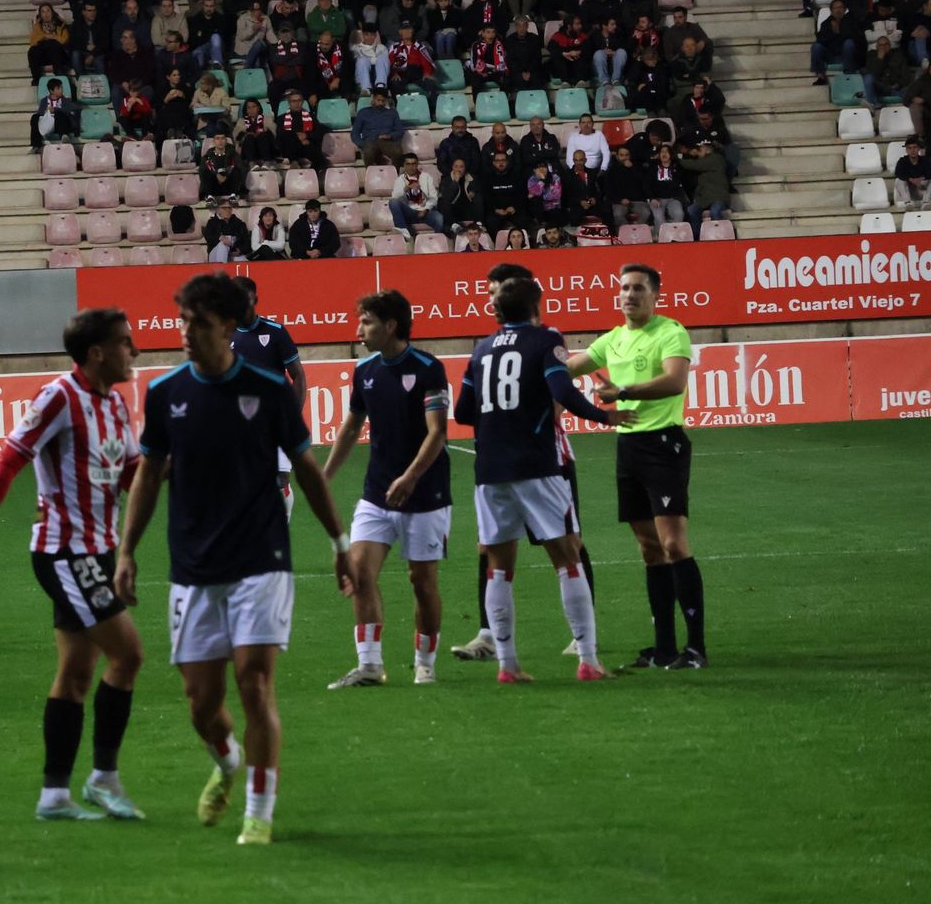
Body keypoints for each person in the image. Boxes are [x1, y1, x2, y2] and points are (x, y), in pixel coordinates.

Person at [113, 273, 354, 847]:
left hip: (262, 560)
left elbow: (307, 471)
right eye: (181, 321)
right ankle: (226, 761)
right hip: (193, 567)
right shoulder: (166, 392)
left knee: (254, 683)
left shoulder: (269, 391)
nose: (184, 333)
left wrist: (341, 543)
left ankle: (259, 811)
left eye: (195, 322)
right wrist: (126, 551)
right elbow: (148, 477)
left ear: (225, 325)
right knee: (201, 704)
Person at [0, 309, 147, 822]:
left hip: (99, 551)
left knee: (78, 672)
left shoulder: (116, 403)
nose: (136, 351)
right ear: (98, 353)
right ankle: (103, 779)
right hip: (65, 551)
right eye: (127, 343)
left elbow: (132, 473)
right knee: (128, 655)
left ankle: (54, 795)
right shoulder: (59, 396)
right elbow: (11, 458)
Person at [452, 276, 631, 683]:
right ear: (537, 306)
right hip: (536, 463)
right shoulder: (544, 340)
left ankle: (508, 666)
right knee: (567, 558)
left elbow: (463, 412)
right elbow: (562, 391)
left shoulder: (480, 350)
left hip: (490, 470)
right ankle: (587, 660)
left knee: (499, 566)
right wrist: (605, 415)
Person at [566, 264, 707, 671]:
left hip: (663, 443)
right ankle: (664, 649)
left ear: (655, 295)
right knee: (649, 550)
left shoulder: (670, 332)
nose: (629, 294)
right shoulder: (613, 338)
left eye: (638, 288)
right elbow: (570, 366)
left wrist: (622, 391)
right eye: (625, 288)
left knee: (674, 544)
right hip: (628, 446)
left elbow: (675, 381)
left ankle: (696, 648)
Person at [321, 290, 451, 688]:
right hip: (376, 492)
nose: (359, 330)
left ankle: (425, 661)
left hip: (425, 493)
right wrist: (322, 478)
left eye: (366, 323)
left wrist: (410, 477)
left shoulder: (429, 368)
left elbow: (439, 433)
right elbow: (350, 426)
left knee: (422, 582)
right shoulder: (365, 371)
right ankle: (370, 666)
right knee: (359, 570)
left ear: (390, 325)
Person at [230, 276, 305, 519]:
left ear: (255, 300)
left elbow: (298, 376)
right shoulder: (225, 335)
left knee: (280, 479)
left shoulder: (275, 332)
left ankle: (280, 529)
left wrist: (292, 415)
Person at [351, 88, 405, 167]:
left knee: (398, 152)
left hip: (387, 142)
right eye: (378, 100)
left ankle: (394, 174)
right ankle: (370, 175)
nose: (380, 103)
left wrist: (390, 136)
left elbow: (400, 131)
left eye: (383, 101)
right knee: (368, 152)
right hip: (369, 141)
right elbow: (354, 134)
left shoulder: (392, 113)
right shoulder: (363, 112)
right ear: (373, 98)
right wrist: (362, 144)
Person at [894, 138, 931, 208]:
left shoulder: (925, 160)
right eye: (909, 148)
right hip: (909, 190)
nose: (912, 150)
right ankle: (908, 203)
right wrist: (912, 180)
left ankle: (926, 202)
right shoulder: (902, 161)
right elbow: (898, 173)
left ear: (918, 148)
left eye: (914, 147)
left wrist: (921, 180)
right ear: (906, 150)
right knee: (899, 180)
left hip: (921, 188)